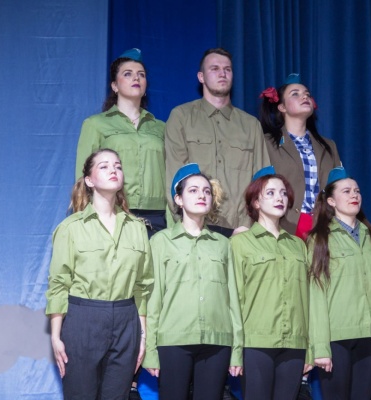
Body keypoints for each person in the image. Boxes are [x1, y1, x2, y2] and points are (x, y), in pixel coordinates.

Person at [45, 149, 153, 400]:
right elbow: (59, 284)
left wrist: (142, 335)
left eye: (118, 166)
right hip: (83, 319)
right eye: (104, 166)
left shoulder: (137, 228)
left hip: (126, 320)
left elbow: (142, 286)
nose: (113, 170)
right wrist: (56, 336)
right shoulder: (70, 228)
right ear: (89, 180)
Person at [143, 163, 243, 399]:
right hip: (173, 340)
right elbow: (153, 300)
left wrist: (237, 350)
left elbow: (234, 300)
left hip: (217, 341)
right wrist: (150, 351)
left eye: (207, 191)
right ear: (178, 199)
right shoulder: (161, 241)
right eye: (194, 190)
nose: (202, 195)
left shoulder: (223, 244)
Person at [307, 167, 371, 399]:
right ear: (331, 201)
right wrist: (320, 347)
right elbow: (316, 296)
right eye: (346, 191)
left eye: (356, 191)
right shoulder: (320, 239)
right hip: (336, 339)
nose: (354, 195)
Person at [164, 48, 269, 237]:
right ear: (201, 76)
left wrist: (250, 227)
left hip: (241, 229)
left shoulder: (251, 125)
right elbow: (175, 176)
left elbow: (262, 181)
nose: (222, 73)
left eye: (227, 69)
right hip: (194, 228)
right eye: (215, 69)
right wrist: (187, 223)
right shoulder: (181, 117)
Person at [230, 166, 312, 399]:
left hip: (295, 344)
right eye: (271, 193)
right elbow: (234, 300)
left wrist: (311, 348)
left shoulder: (298, 245)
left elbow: (308, 300)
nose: (280, 198)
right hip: (256, 342)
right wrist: (236, 351)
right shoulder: (240, 243)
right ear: (256, 202)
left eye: (284, 193)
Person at [76, 48, 167, 238]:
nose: (136, 78)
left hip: (157, 216)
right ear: (114, 86)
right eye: (127, 74)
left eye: (141, 74)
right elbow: (82, 178)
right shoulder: (95, 124)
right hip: (114, 211)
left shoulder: (161, 127)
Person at [259, 73, 341, 239]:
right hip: (285, 225)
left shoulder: (328, 146)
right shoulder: (267, 143)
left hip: (324, 226)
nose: (304, 96)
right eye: (295, 94)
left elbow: (338, 186)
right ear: (282, 107)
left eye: (307, 94)